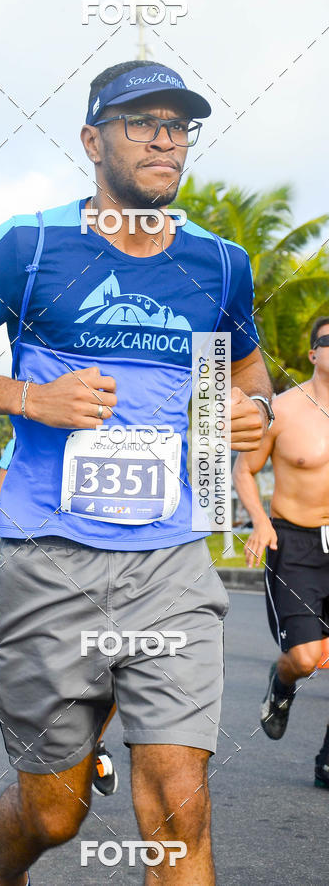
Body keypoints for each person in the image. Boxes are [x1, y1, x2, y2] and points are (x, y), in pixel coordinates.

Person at [0, 60, 271, 886]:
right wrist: (33, 398)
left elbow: (250, 379)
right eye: (142, 122)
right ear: (92, 140)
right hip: (50, 558)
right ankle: (4, 864)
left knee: (181, 796)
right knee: (55, 813)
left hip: (171, 558)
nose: (165, 138)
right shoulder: (30, 247)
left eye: (179, 125)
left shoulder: (221, 264)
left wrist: (257, 415)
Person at [233, 316, 329, 788]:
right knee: (307, 657)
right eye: (328, 341)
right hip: (297, 541)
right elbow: (243, 468)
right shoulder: (284, 409)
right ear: (313, 354)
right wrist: (262, 520)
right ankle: (283, 680)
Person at [0, 438, 118, 797]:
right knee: (68, 669)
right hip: (55, 561)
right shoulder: (25, 434)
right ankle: (72, 751)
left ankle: (92, 742)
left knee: (124, 665)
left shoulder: (138, 423)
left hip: (130, 557)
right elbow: (2, 502)